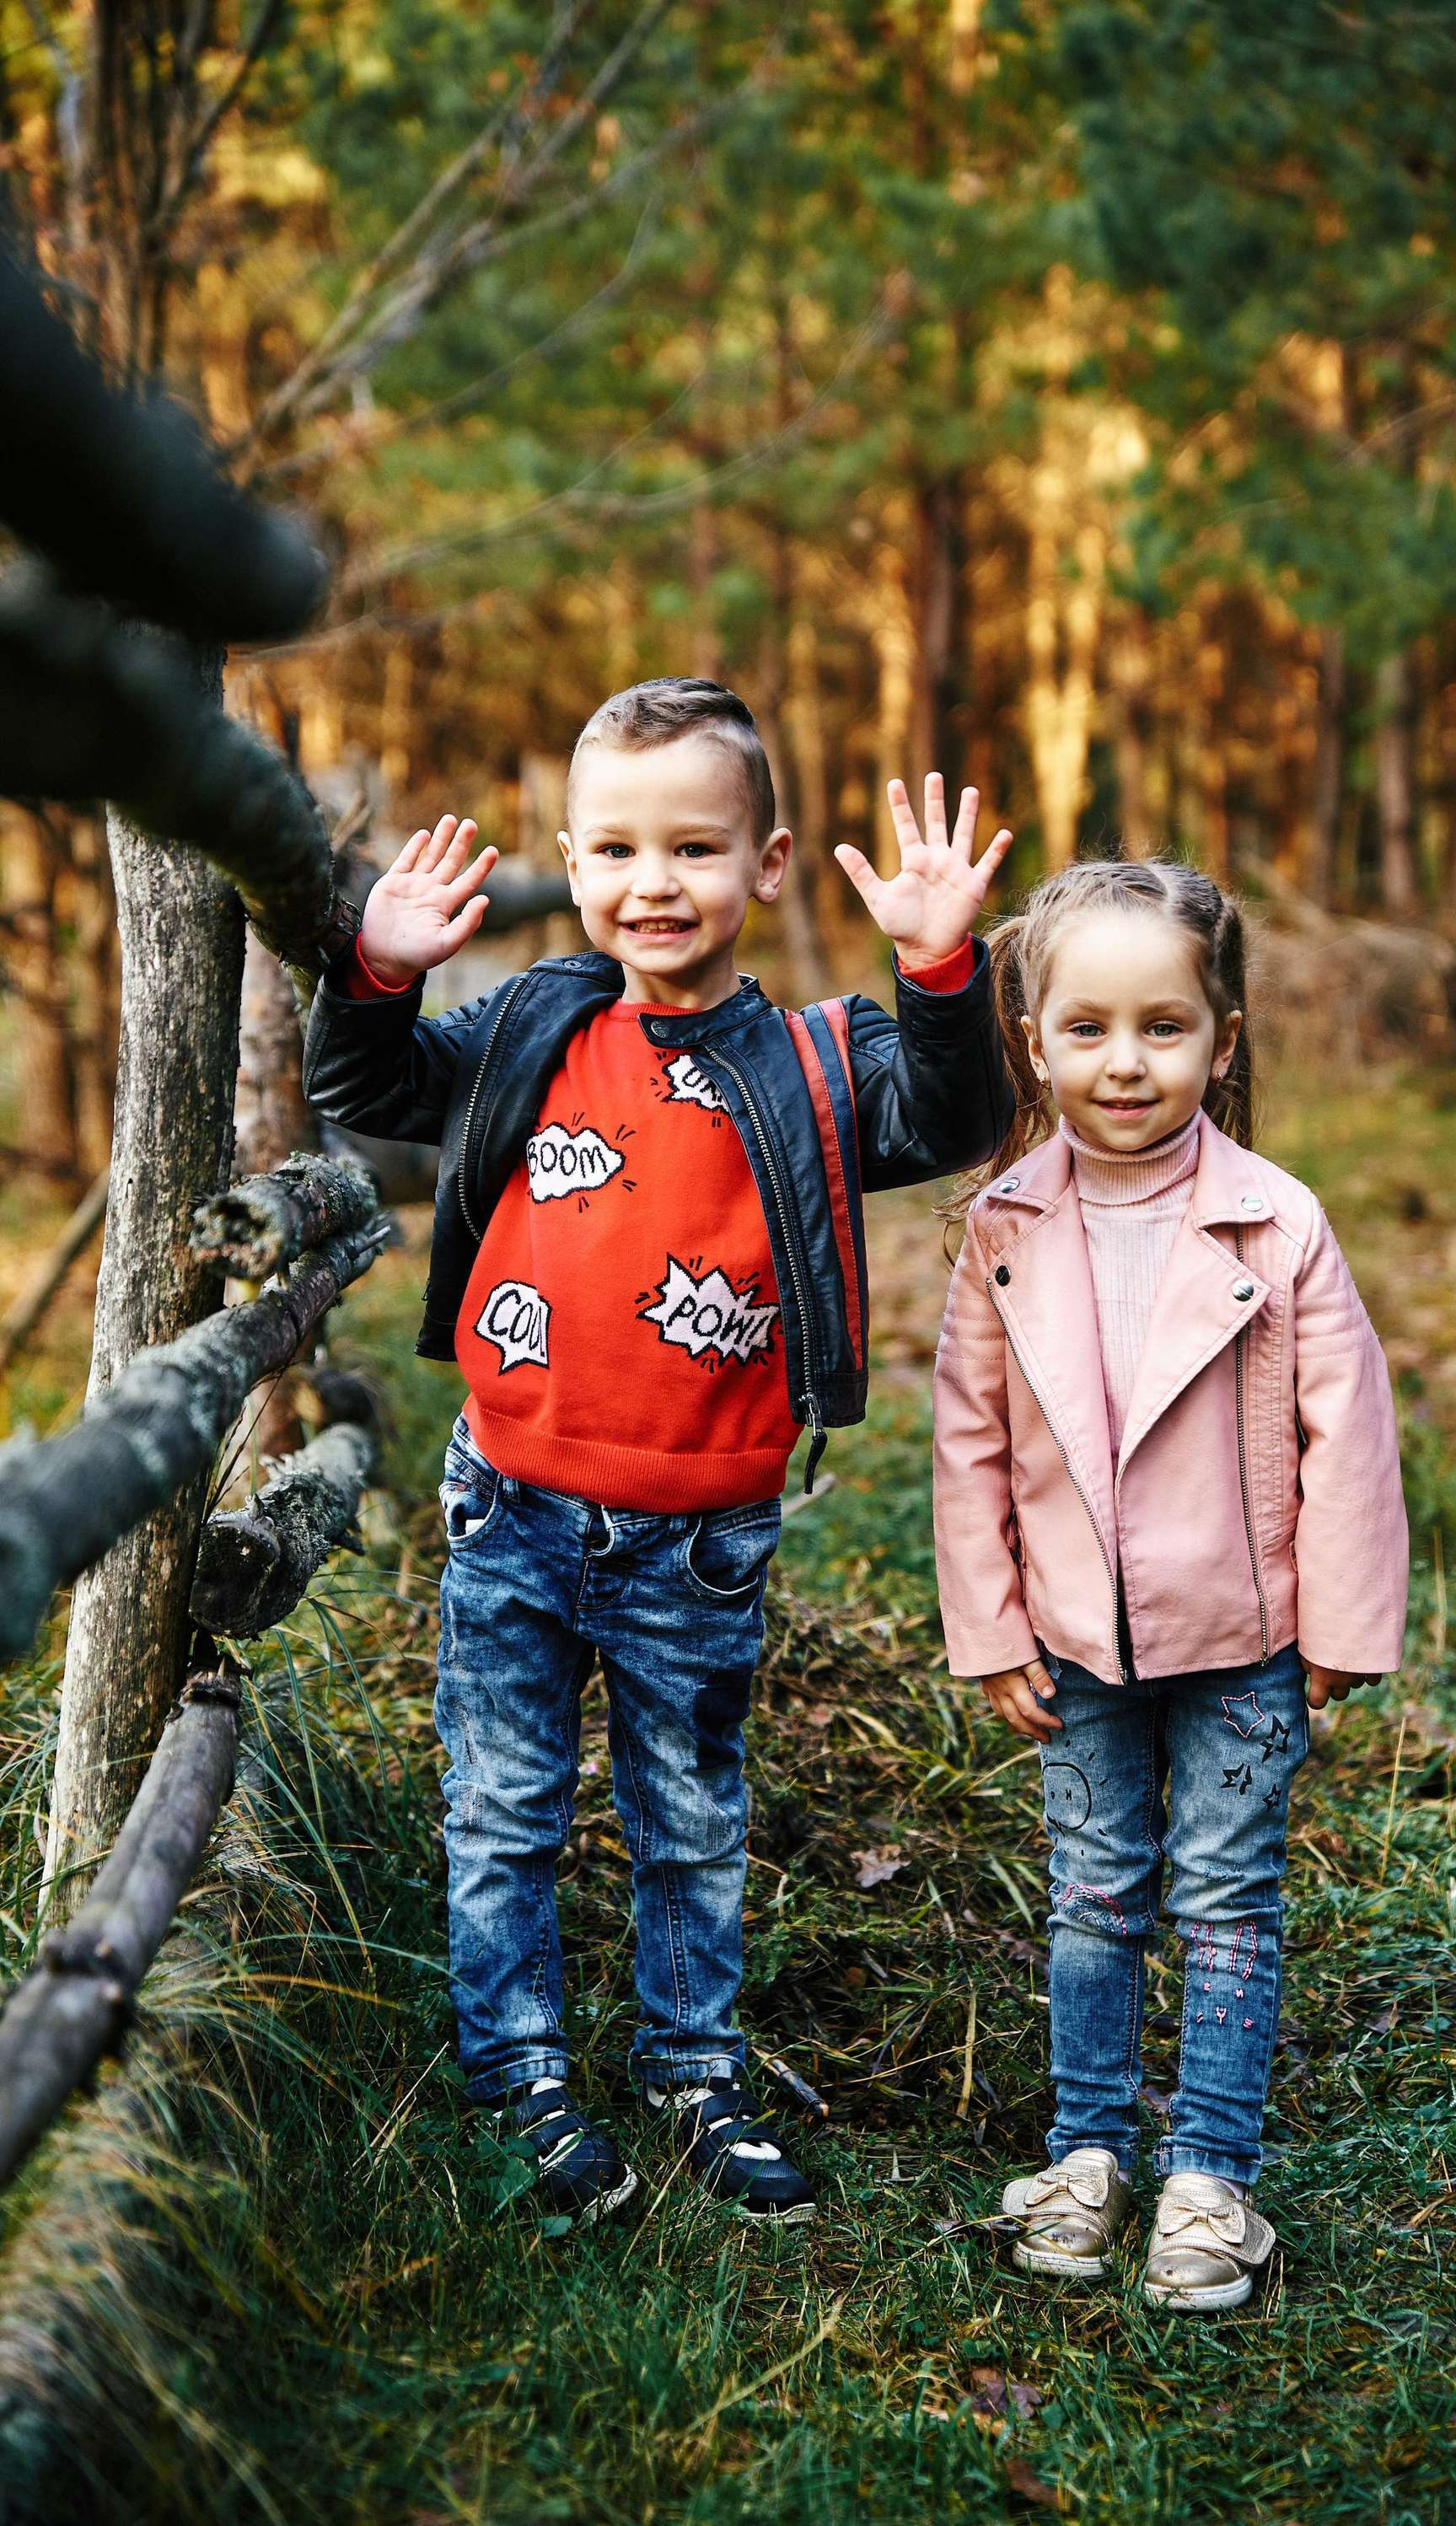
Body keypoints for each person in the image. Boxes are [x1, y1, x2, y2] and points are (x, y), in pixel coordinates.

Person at [304, 678, 1011, 2227]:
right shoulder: (527, 1024)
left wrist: (940, 964)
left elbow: (955, 1117)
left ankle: (693, 2066)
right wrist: (375, 971)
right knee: (504, 1802)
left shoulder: (824, 1065)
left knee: (689, 1817)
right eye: (617, 850)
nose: (653, 885)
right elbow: (365, 1089)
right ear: (573, 855)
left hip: (698, 1530)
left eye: (695, 849)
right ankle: (520, 2072)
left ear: (766, 866)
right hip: (513, 1506)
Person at [931, 857, 1407, 2308]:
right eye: (1087, 1029)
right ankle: (1088, 2159)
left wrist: (1337, 1625)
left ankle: (1208, 2181)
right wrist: (991, 1624)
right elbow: (969, 1435)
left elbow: (1350, 1426)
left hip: (1246, 1641)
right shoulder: (1004, 1226)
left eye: (1163, 1027)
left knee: (1227, 1901)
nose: (1124, 1062)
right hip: (1074, 1643)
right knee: (1089, 1897)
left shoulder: (1278, 1220)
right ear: (1034, 1041)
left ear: (1225, 1035)